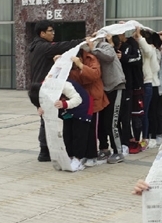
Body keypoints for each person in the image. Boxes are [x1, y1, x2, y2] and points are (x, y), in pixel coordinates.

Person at [28, 20, 84, 162]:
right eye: (50, 31)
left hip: (38, 88)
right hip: (44, 89)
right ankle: (45, 151)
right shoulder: (43, 47)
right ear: (42, 33)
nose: (53, 34)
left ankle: (47, 150)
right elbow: (62, 46)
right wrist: (82, 41)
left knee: (47, 119)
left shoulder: (35, 47)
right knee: (49, 120)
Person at [28, 79, 92, 171]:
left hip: (82, 108)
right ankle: (69, 157)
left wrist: (64, 104)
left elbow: (78, 99)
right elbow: (41, 102)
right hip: (67, 111)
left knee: (79, 135)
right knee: (67, 134)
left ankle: (78, 159)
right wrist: (39, 108)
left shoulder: (63, 85)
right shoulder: (42, 91)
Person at [69, 39, 109, 167]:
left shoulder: (91, 58)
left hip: (94, 97)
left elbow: (95, 74)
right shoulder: (71, 62)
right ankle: (83, 154)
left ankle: (92, 155)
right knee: (82, 129)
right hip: (82, 100)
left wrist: (81, 65)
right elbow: (74, 79)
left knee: (93, 129)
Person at [92, 33, 127, 164]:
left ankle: (118, 152)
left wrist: (93, 48)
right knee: (102, 121)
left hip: (115, 86)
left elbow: (110, 56)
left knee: (112, 122)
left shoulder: (104, 46)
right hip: (104, 89)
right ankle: (104, 148)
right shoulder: (96, 49)